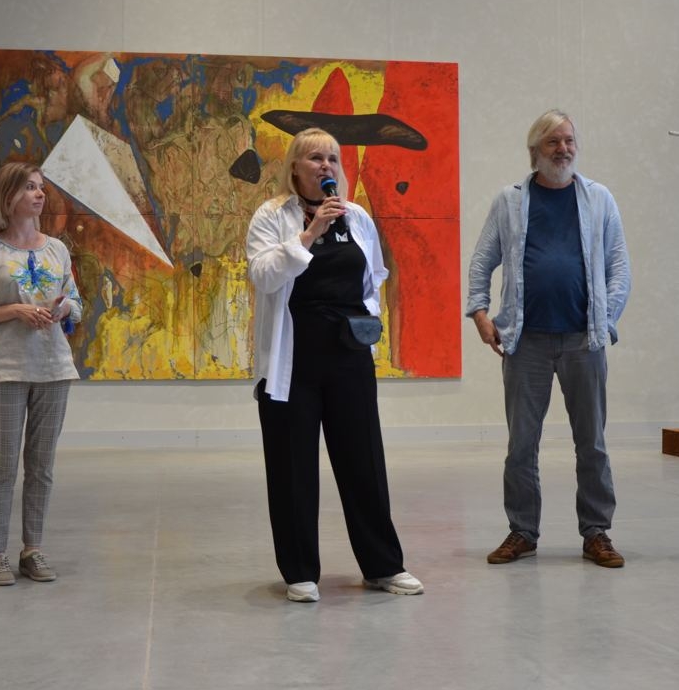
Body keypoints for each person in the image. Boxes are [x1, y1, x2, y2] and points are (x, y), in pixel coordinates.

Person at [246, 128, 423, 603]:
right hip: (292, 363)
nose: (326, 166)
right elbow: (263, 276)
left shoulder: (356, 215)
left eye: (332, 159)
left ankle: (383, 566)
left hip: (348, 358)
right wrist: (310, 234)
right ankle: (300, 572)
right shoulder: (272, 216)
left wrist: (368, 322)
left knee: (364, 463)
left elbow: (374, 276)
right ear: (295, 168)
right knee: (293, 469)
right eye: (315, 158)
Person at [466, 110, 631, 568]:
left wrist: (605, 320)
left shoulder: (599, 199)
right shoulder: (510, 200)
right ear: (535, 150)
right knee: (521, 445)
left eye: (569, 140)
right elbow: (482, 260)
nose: (563, 149)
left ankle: (596, 533)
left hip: (584, 341)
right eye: (553, 142)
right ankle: (522, 532)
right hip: (526, 343)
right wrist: (479, 313)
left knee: (592, 444)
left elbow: (619, 267)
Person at [0, 161, 83, 586]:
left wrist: (63, 308)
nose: (39, 194)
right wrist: (13, 310)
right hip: (7, 370)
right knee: (4, 466)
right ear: (8, 196)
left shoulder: (57, 250)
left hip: (54, 367)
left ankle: (32, 549)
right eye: (29, 187)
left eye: (40, 187)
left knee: (42, 465)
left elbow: (76, 305)